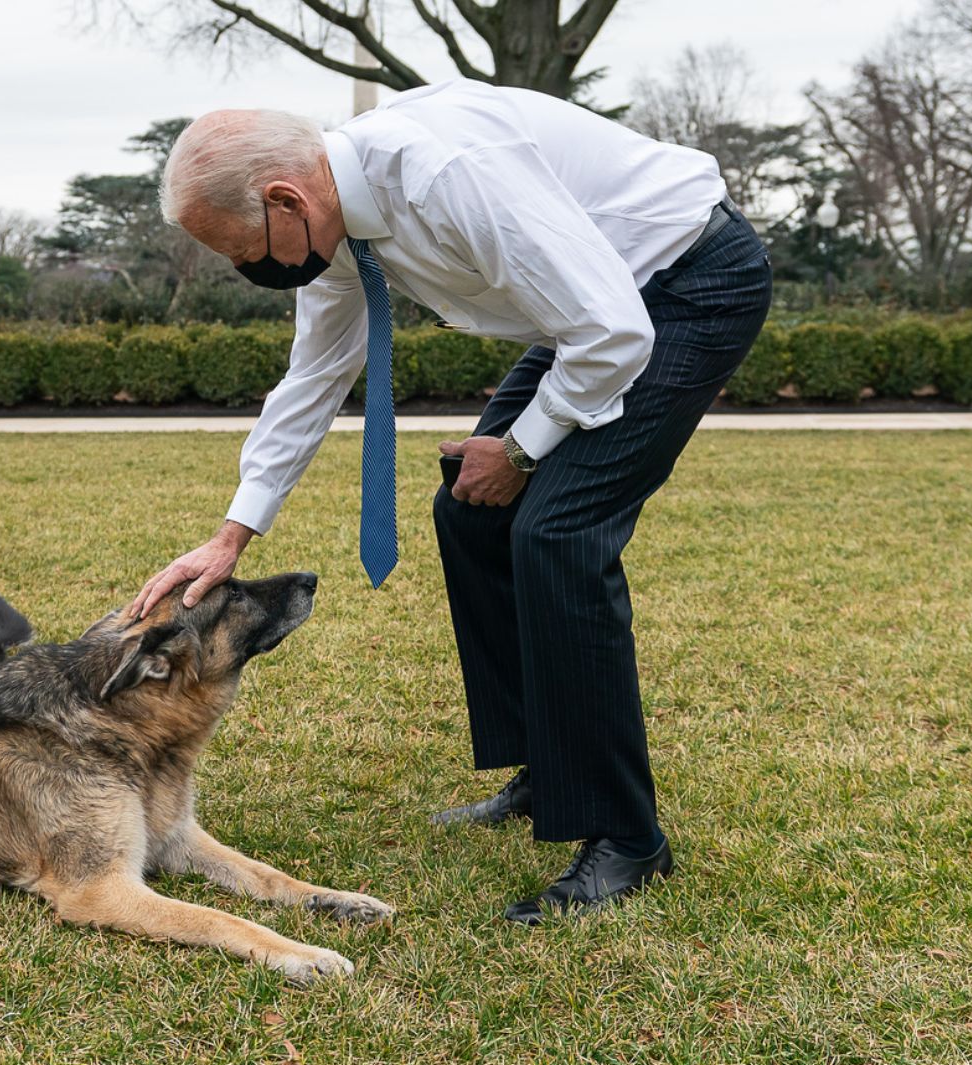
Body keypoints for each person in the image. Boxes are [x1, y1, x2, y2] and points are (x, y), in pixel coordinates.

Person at [132, 79, 772, 923]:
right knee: (473, 514)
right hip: (592, 309)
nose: (246, 268)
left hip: (684, 288)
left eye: (242, 249)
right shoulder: (335, 231)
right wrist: (231, 539)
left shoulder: (446, 174)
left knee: (557, 534)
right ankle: (551, 771)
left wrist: (519, 448)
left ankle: (627, 839)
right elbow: (314, 378)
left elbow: (616, 332)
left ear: (285, 198)